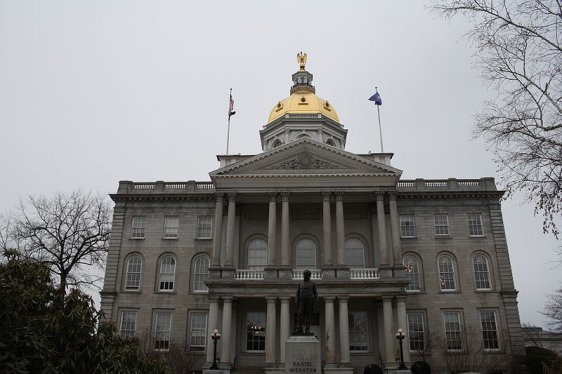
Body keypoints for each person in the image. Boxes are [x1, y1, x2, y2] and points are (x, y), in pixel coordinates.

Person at [293, 269, 318, 335]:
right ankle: (299, 328)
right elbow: (297, 292)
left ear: (309, 275)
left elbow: (315, 293)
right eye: (303, 274)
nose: (304, 275)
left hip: (309, 301)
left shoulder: (312, 284)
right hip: (302, 301)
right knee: (300, 315)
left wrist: (315, 301)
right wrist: (296, 300)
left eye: (305, 274)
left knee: (308, 316)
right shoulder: (300, 283)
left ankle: (307, 329)